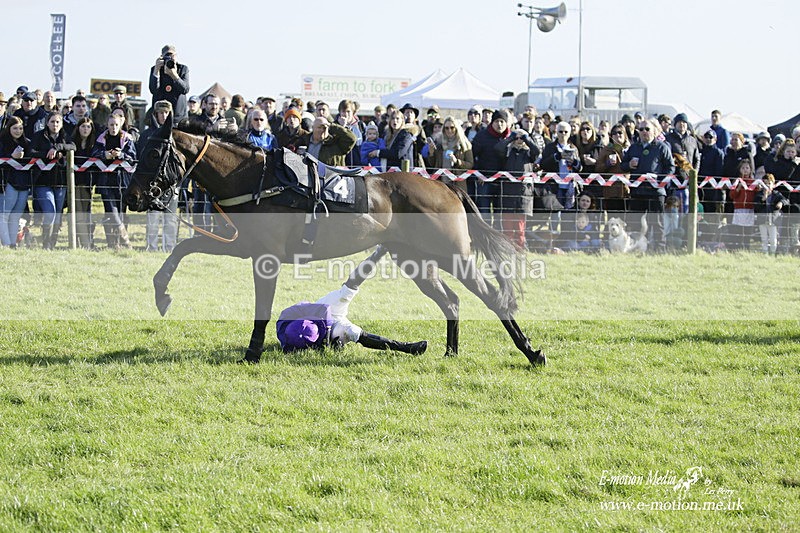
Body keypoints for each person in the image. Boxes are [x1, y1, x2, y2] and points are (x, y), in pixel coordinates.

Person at [277, 246, 427, 355]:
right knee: (354, 332)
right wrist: (329, 342)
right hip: (322, 328)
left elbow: (319, 309)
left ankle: (379, 252)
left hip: (325, 308)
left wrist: (329, 335)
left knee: (348, 290)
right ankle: (406, 348)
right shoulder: (292, 339)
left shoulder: (288, 317)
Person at [620, 118, 675, 248]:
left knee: (656, 222)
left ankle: (659, 248)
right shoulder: (634, 147)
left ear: (654, 131)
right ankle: (634, 247)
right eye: (641, 129)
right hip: (637, 192)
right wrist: (629, 164)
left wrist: (660, 182)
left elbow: (671, 167)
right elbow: (622, 165)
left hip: (655, 192)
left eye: (647, 129)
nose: (644, 132)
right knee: (634, 222)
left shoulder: (662, 147)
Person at [91, 114, 136, 250]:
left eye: (116, 124)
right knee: (111, 212)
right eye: (111, 124)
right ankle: (123, 241)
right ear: (107, 125)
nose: (114, 127)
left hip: (122, 181)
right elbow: (93, 153)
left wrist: (121, 155)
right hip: (105, 181)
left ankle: (117, 244)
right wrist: (104, 155)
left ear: (121, 124)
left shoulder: (127, 139)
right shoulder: (101, 138)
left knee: (121, 213)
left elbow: (133, 157)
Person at [139, 101, 179, 252]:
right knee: (153, 219)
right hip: (152, 184)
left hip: (171, 183)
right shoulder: (147, 135)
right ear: (155, 114)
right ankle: (151, 247)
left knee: (171, 220)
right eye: (160, 113)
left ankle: (169, 248)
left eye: (166, 113)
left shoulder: (175, 135)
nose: (163, 116)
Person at [30, 112, 74, 249]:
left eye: (58, 122)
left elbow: (72, 147)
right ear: (47, 123)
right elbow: (30, 151)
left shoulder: (65, 136)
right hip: (42, 181)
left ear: (61, 124)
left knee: (58, 213)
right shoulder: (39, 135)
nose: (55, 125)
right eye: (52, 122)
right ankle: (45, 241)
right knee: (50, 211)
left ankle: (52, 243)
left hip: (60, 181)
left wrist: (57, 148)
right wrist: (47, 154)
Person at [495, 127, 539, 248]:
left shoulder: (529, 153)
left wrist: (527, 139)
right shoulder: (508, 151)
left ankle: (520, 249)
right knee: (508, 227)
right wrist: (511, 137)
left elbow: (537, 151)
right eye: (517, 138)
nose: (519, 140)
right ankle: (507, 249)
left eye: (521, 138)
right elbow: (497, 149)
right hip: (508, 193)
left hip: (523, 194)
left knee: (520, 229)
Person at [471, 110, 513, 226]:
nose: (499, 124)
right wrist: (478, 173)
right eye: (497, 121)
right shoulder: (482, 136)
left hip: (503, 182)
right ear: (492, 122)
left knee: (500, 216)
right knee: (484, 214)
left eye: (502, 121)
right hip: (484, 181)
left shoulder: (511, 138)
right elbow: (472, 157)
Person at [0, 117, 31, 248]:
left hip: (23, 183)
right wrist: (11, 157)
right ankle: (6, 244)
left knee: (16, 216)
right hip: (8, 182)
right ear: (8, 128)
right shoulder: (2, 142)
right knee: (4, 215)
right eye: (15, 128)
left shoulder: (27, 143)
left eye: (20, 128)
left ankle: (13, 244)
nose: (18, 131)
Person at [540, 121, 582, 211]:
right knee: (555, 215)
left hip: (570, 186)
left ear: (569, 134)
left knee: (568, 215)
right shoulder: (550, 147)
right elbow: (543, 164)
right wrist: (557, 157)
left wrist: (573, 162)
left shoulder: (574, 148)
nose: (563, 134)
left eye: (566, 132)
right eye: (561, 131)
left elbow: (580, 168)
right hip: (555, 187)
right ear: (556, 132)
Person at [424, 116, 474, 191]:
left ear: (457, 128)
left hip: (457, 185)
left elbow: (470, 165)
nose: (449, 130)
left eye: (452, 127)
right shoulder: (439, 144)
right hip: (440, 184)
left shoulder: (465, 145)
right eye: (446, 128)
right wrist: (431, 153)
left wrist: (457, 161)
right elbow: (433, 164)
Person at [71, 117, 98, 249]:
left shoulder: (94, 145)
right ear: (78, 128)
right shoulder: (72, 142)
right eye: (83, 126)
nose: (85, 129)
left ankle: (87, 242)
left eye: (88, 126)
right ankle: (85, 243)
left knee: (86, 213)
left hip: (88, 183)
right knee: (79, 213)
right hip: (74, 183)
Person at [149, 44, 190, 122]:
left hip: (178, 117)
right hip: (160, 116)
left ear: (176, 56)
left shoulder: (183, 69)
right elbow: (153, 90)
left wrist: (174, 75)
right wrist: (157, 70)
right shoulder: (156, 69)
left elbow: (185, 89)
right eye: (167, 56)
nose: (170, 58)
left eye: (172, 55)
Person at [595, 124, 630, 214]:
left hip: (627, 189)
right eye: (614, 133)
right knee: (613, 218)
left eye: (620, 132)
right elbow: (598, 168)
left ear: (625, 135)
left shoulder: (630, 149)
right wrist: (607, 164)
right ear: (611, 136)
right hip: (611, 191)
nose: (618, 135)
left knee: (628, 220)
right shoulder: (606, 149)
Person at [698, 129, 726, 233]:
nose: (708, 139)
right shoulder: (701, 151)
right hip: (701, 188)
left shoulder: (718, 153)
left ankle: (711, 237)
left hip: (713, 189)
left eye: (711, 137)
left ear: (715, 139)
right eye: (706, 137)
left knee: (712, 215)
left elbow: (719, 172)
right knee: (701, 213)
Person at [728, 159, 756, 249]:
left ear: (750, 169)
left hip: (750, 209)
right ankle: (738, 247)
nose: (745, 170)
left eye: (747, 168)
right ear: (740, 169)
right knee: (739, 230)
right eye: (743, 168)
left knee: (748, 231)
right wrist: (738, 188)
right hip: (739, 209)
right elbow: (732, 195)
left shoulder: (754, 182)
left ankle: (747, 247)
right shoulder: (737, 182)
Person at [754, 173, 786, 255]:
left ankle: (772, 253)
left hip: (773, 220)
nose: (767, 185)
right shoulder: (759, 195)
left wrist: (781, 203)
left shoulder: (776, 194)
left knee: (773, 239)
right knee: (764, 239)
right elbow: (756, 207)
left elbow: (785, 200)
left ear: (773, 184)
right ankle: (765, 253)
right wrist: (763, 198)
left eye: (769, 183)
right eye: (765, 183)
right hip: (762, 220)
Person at [335, 99, 364, 166]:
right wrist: (342, 127)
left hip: (357, 165)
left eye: (348, 111)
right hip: (341, 165)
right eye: (343, 111)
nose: (346, 114)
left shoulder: (360, 125)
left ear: (353, 112)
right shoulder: (334, 126)